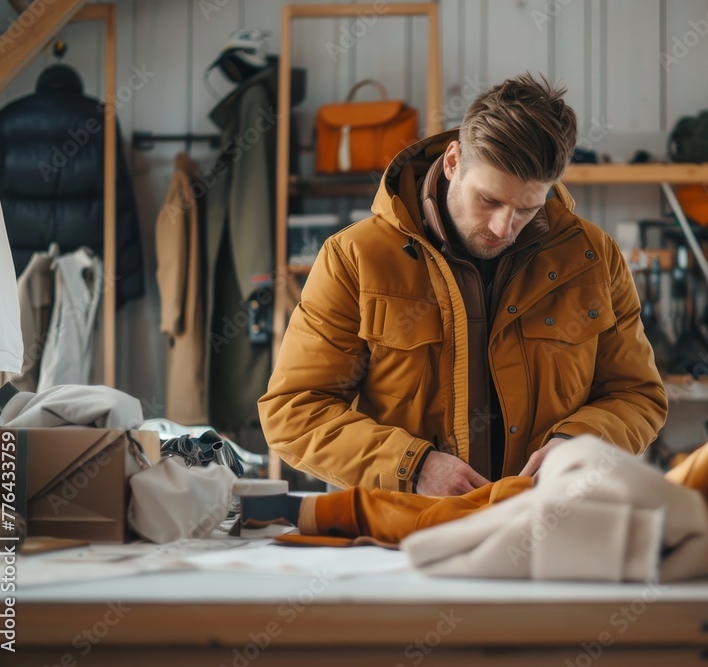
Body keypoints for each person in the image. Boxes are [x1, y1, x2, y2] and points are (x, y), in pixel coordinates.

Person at [258, 73, 668, 495]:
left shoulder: (593, 259)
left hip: (548, 529)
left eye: (527, 208)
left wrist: (579, 445)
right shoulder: (355, 258)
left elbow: (637, 394)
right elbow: (294, 411)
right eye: (489, 200)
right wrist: (412, 468)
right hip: (399, 537)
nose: (503, 227)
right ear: (453, 161)